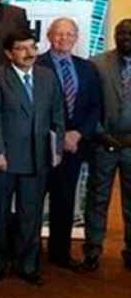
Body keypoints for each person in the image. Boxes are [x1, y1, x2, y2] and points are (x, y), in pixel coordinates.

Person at [0, 29, 65, 285]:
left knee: (31, 214)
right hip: (5, 158)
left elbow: (58, 115)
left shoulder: (47, 77)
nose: (30, 52)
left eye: (32, 46)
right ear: (9, 53)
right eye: (21, 48)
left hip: (39, 157)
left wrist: (57, 148)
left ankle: (27, 265)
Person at [35, 18, 101, 270]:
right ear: (49, 37)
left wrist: (78, 134)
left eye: (69, 34)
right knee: (33, 200)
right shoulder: (36, 64)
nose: (63, 39)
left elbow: (95, 106)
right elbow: (34, 108)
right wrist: (58, 135)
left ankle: (59, 253)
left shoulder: (87, 68)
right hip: (42, 145)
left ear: (76, 38)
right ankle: (29, 251)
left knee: (64, 200)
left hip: (74, 147)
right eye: (58, 34)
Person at [84, 18, 131, 272]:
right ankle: (92, 250)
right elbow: (89, 105)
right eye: (121, 33)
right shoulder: (97, 63)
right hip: (104, 143)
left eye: (130, 33)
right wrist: (102, 134)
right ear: (114, 35)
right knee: (98, 198)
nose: (125, 37)